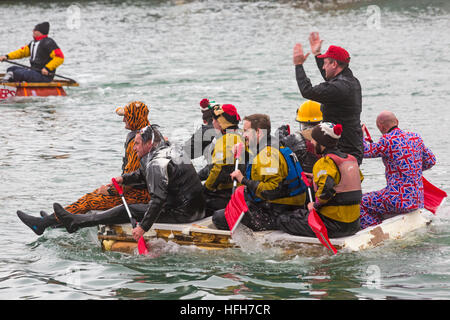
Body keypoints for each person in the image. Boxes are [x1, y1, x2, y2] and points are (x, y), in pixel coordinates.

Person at [16, 101, 157, 235]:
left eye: (126, 116)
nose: (123, 120)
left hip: (141, 196)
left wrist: (110, 191)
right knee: (93, 194)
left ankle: (43, 223)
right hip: (141, 191)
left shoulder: (139, 141)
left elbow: (132, 181)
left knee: (90, 200)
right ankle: (56, 220)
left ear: (134, 117)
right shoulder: (150, 134)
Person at [53, 125, 205, 240]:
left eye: (137, 143)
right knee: (131, 207)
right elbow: (142, 174)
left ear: (149, 144)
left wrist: (143, 228)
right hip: (197, 208)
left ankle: (76, 222)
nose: (133, 147)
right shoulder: (169, 149)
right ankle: (75, 220)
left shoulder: (157, 163)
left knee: (126, 210)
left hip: (184, 213)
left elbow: (158, 200)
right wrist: (124, 179)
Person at [213, 114, 307, 231]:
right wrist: (242, 151)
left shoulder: (267, 155)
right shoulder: (273, 143)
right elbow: (256, 161)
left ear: (258, 132)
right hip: (286, 206)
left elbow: (272, 190)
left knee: (218, 217)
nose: (243, 134)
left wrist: (243, 180)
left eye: (246, 131)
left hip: (277, 212)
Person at [277, 122, 362, 238]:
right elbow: (351, 180)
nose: (311, 142)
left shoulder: (324, 162)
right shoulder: (350, 159)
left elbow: (326, 191)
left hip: (334, 224)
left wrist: (315, 206)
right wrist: (316, 178)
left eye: (314, 140)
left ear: (322, 143)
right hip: (354, 224)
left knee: (283, 219)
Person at [293, 32, 364, 165]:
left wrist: (298, 65)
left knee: (338, 185)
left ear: (334, 64)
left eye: (325, 63)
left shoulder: (339, 87)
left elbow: (307, 91)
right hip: (351, 143)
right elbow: (330, 80)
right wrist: (317, 54)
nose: (323, 66)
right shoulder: (351, 80)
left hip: (344, 149)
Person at [359, 111, 436, 229]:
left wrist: (360, 135)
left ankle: (376, 228)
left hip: (398, 199)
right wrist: (412, 169)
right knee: (379, 198)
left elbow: (365, 151)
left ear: (380, 126)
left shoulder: (387, 140)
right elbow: (431, 161)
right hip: (418, 199)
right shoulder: (415, 137)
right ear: (397, 122)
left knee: (361, 202)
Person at [201, 104, 245, 216]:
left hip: (228, 192)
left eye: (214, 120)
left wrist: (206, 188)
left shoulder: (225, 140)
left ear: (221, 122)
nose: (213, 123)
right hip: (243, 189)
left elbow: (218, 169)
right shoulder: (241, 134)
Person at [276, 99, 322, 173]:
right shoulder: (328, 135)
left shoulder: (295, 138)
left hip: (302, 178)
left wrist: (279, 133)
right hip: (321, 174)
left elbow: (279, 145)